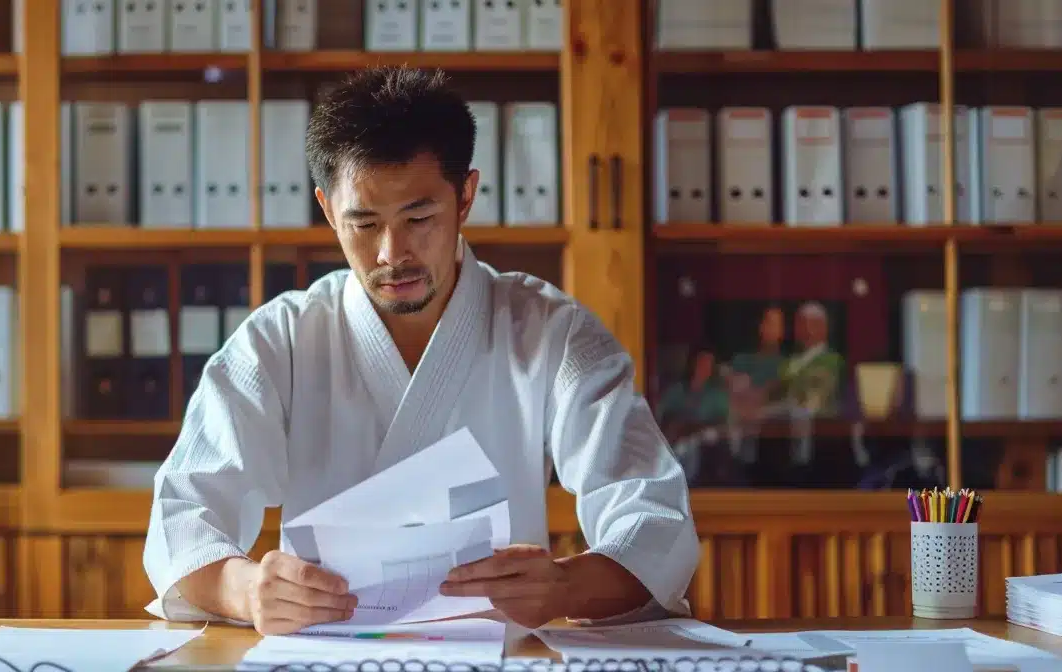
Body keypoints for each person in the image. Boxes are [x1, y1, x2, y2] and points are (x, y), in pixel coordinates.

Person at [143, 67, 698, 635]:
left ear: (465, 196)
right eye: (363, 222)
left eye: (419, 217)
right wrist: (248, 591)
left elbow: (653, 516)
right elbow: (183, 517)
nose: (392, 252)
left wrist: (564, 585)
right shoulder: (279, 341)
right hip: (319, 656)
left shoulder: (551, 333)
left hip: (503, 655)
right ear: (328, 210)